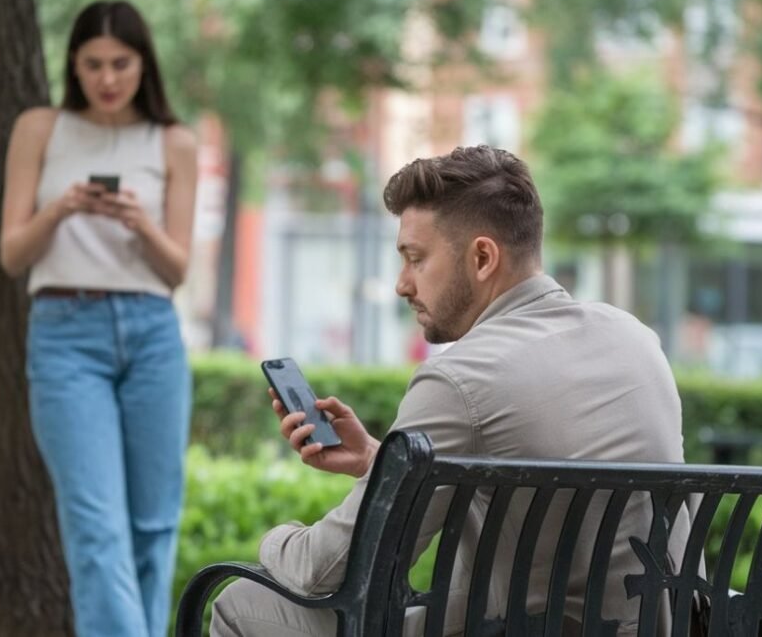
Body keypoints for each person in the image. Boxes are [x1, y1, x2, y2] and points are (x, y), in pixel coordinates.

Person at [211, 145, 690, 636]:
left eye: (415, 259)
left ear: (482, 257)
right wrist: (382, 462)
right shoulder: (636, 339)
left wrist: (276, 539)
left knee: (243, 601)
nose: (402, 284)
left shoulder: (461, 378)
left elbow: (327, 572)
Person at [0, 0, 197, 637]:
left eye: (121, 63)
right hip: (65, 336)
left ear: (144, 65)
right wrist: (60, 209)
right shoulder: (40, 128)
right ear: (74, 65)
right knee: (95, 528)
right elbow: (11, 255)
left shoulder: (173, 142)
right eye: (93, 64)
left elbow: (178, 269)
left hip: (152, 337)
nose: (107, 78)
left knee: (152, 526)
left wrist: (139, 223)